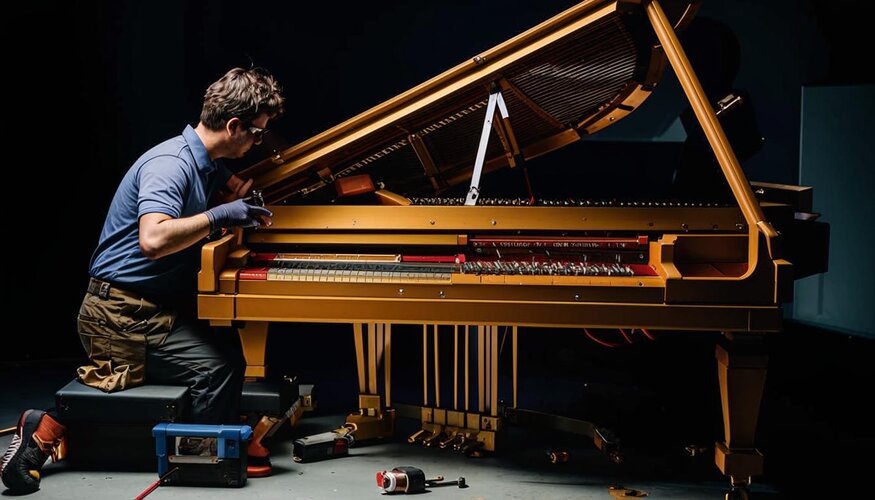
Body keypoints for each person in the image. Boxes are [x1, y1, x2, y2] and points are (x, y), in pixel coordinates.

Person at [1, 67, 284, 494]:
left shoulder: (204, 161)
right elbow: (153, 239)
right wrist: (221, 215)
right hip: (119, 313)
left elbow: (218, 191)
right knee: (217, 369)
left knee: (225, 351)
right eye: (257, 134)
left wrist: (229, 195)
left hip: (150, 305)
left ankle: (216, 437)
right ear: (232, 126)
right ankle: (195, 460)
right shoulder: (170, 165)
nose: (258, 141)